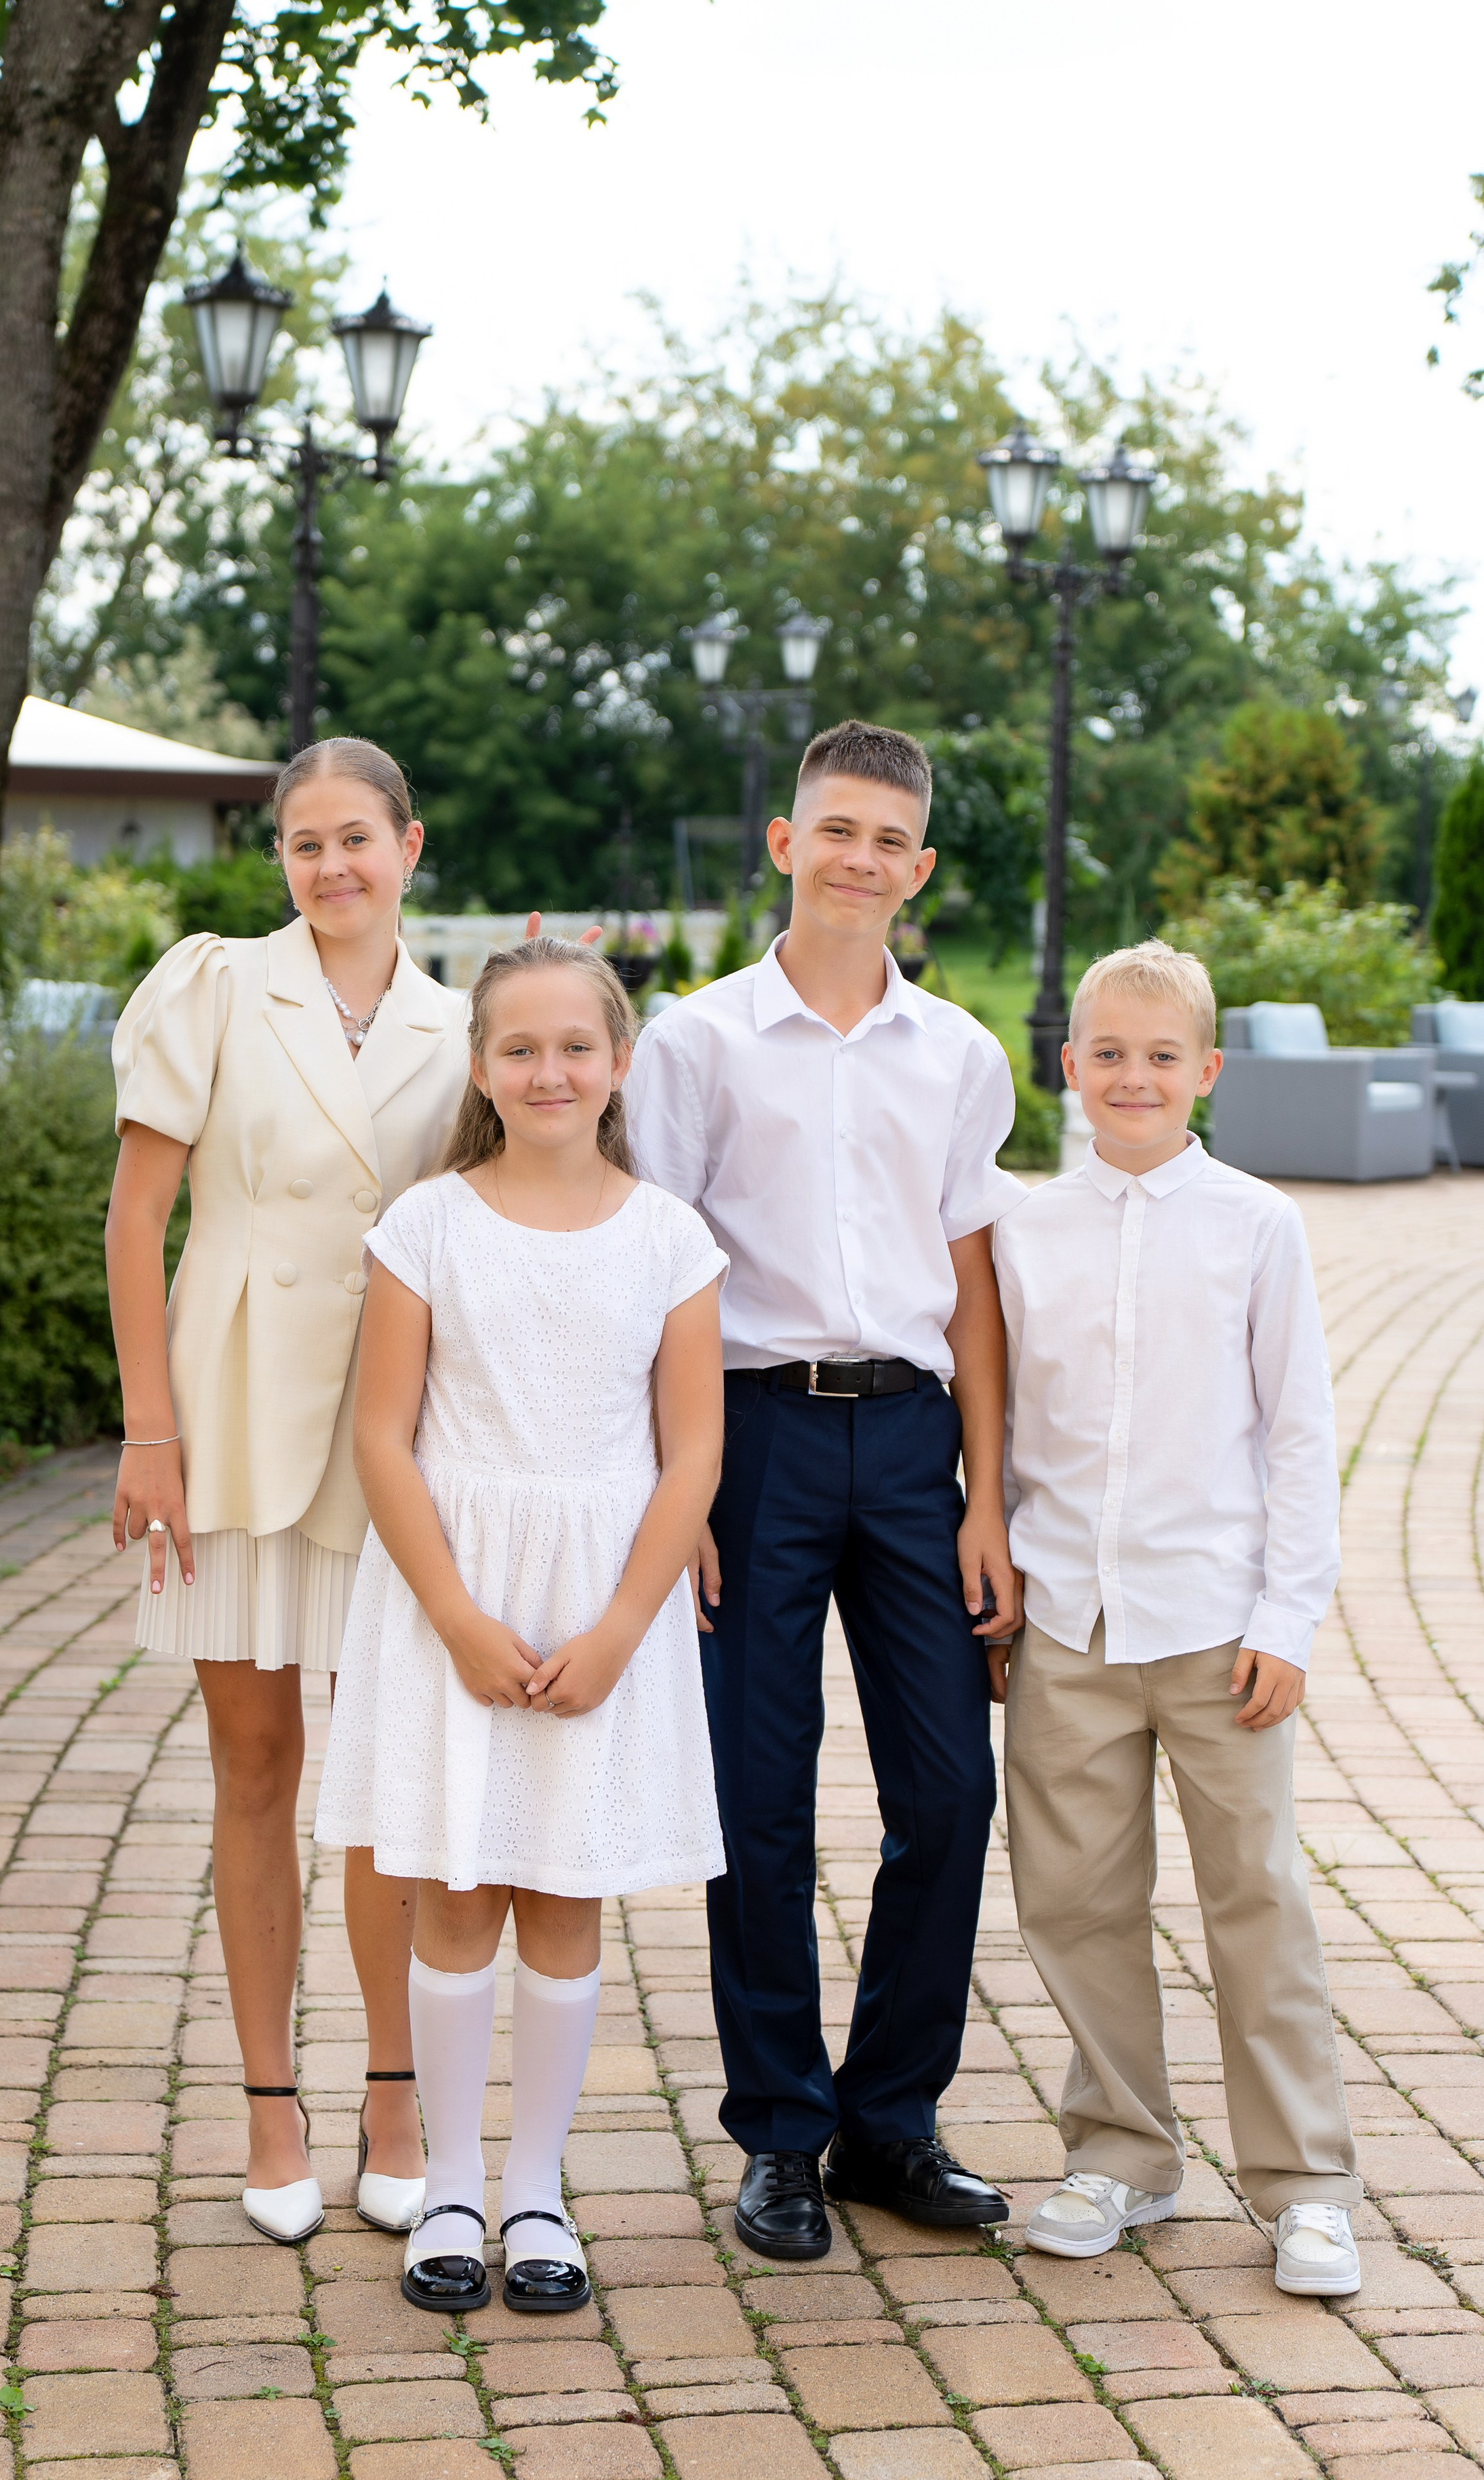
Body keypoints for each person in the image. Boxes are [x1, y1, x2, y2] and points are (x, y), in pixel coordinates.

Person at [626, 719, 1024, 2262]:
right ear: (785, 845)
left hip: (911, 1443)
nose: (858, 857)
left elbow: (975, 1291)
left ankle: (889, 2121)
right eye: (832, 829)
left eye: (888, 840)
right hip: (752, 1441)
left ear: (915, 871)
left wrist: (984, 1498)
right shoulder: (695, 1042)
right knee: (758, 1795)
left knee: (946, 1788)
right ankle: (781, 2133)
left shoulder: (961, 1055)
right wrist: (680, 1494)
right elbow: (654, 1279)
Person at [317, 937, 727, 2315]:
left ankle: (538, 2188)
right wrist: (453, 1616)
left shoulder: (667, 1236)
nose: (547, 1071)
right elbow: (381, 1435)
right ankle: (448, 2187)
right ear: (482, 1069)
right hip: (459, 1596)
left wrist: (619, 1627)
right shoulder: (428, 1223)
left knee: (561, 1891)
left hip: (596, 1599)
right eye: (518, 1049)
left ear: (616, 1065)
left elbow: (690, 1458)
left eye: (574, 1048)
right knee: (453, 1888)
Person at [106, 736, 467, 2248]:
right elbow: (140, 1215)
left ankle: (394, 2092)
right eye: (302, 845)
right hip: (237, 1396)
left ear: (409, 846)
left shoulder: (463, 1028)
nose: (329, 869)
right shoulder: (210, 986)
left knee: (384, 1772)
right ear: (281, 860)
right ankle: (269, 2100)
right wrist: (148, 1430)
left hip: (396, 1423)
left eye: (354, 842)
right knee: (256, 1761)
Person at [993, 940, 1360, 2294]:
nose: (1130, 1077)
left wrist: (1287, 1619)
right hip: (1068, 1627)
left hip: (1215, 1627)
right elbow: (1012, 1424)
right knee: (1075, 1901)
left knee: (1253, 1900)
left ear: (1203, 1071)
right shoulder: (1023, 1230)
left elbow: (1294, 1432)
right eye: (1106, 1054)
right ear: (1069, 1065)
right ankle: (1122, 2155)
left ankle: (1303, 2181)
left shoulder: (1256, 1226)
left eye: (1159, 1057)